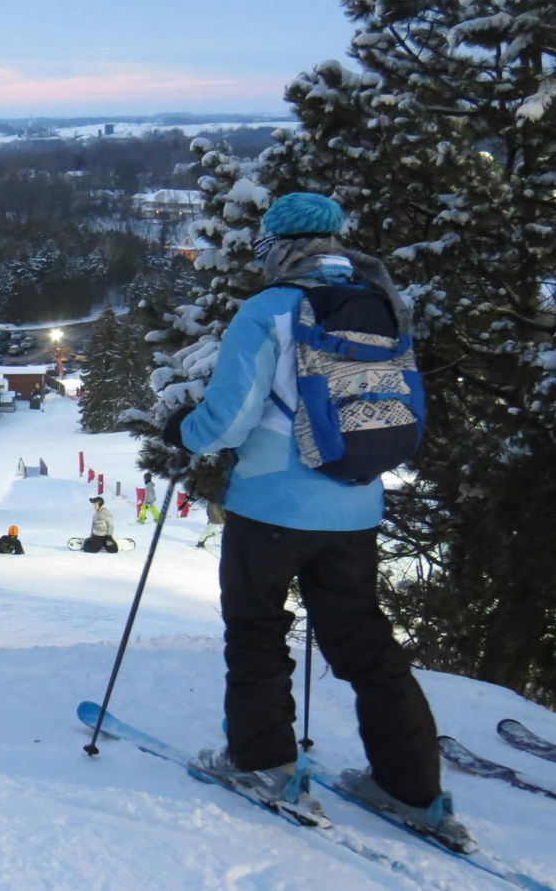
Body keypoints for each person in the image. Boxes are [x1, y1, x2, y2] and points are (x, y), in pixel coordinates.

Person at [162, 192, 471, 850]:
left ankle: (264, 765)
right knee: (365, 644)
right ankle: (413, 788)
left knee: (257, 630)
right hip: (355, 504)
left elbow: (233, 418)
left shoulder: (269, 310)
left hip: (270, 506)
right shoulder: (382, 301)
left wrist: (183, 430)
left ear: (278, 246)